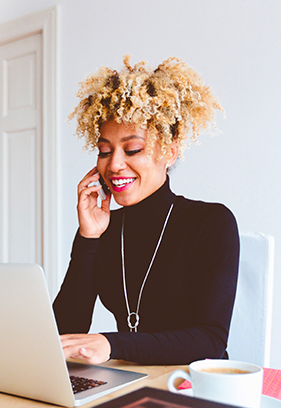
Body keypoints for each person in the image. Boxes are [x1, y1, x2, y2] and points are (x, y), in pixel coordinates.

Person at [53, 56, 238, 365]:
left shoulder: (211, 222)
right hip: (128, 379)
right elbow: (62, 334)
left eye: (133, 149)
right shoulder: (103, 229)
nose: (113, 165)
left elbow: (211, 341)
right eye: (104, 151)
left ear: (169, 151)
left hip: (191, 385)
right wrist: (88, 238)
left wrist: (112, 344)